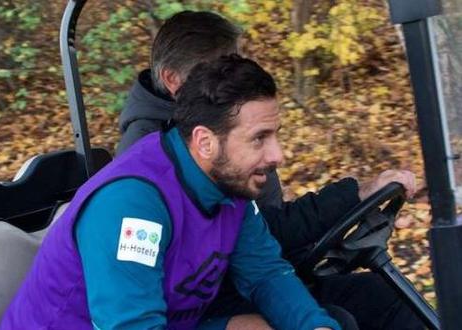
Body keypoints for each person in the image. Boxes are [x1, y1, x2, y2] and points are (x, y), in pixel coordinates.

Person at [117, 11, 423, 330]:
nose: (277, 155)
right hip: (204, 300)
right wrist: (351, 197)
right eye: (220, 71)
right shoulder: (150, 169)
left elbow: (259, 252)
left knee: (379, 297)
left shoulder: (226, 139)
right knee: (341, 318)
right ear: (172, 80)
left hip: (249, 274)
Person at [0, 55, 340, 329]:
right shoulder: (132, 207)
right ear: (205, 142)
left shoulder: (229, 185)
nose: (277, 155)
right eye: (259, 138)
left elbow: (265, 273)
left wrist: (315, 325)